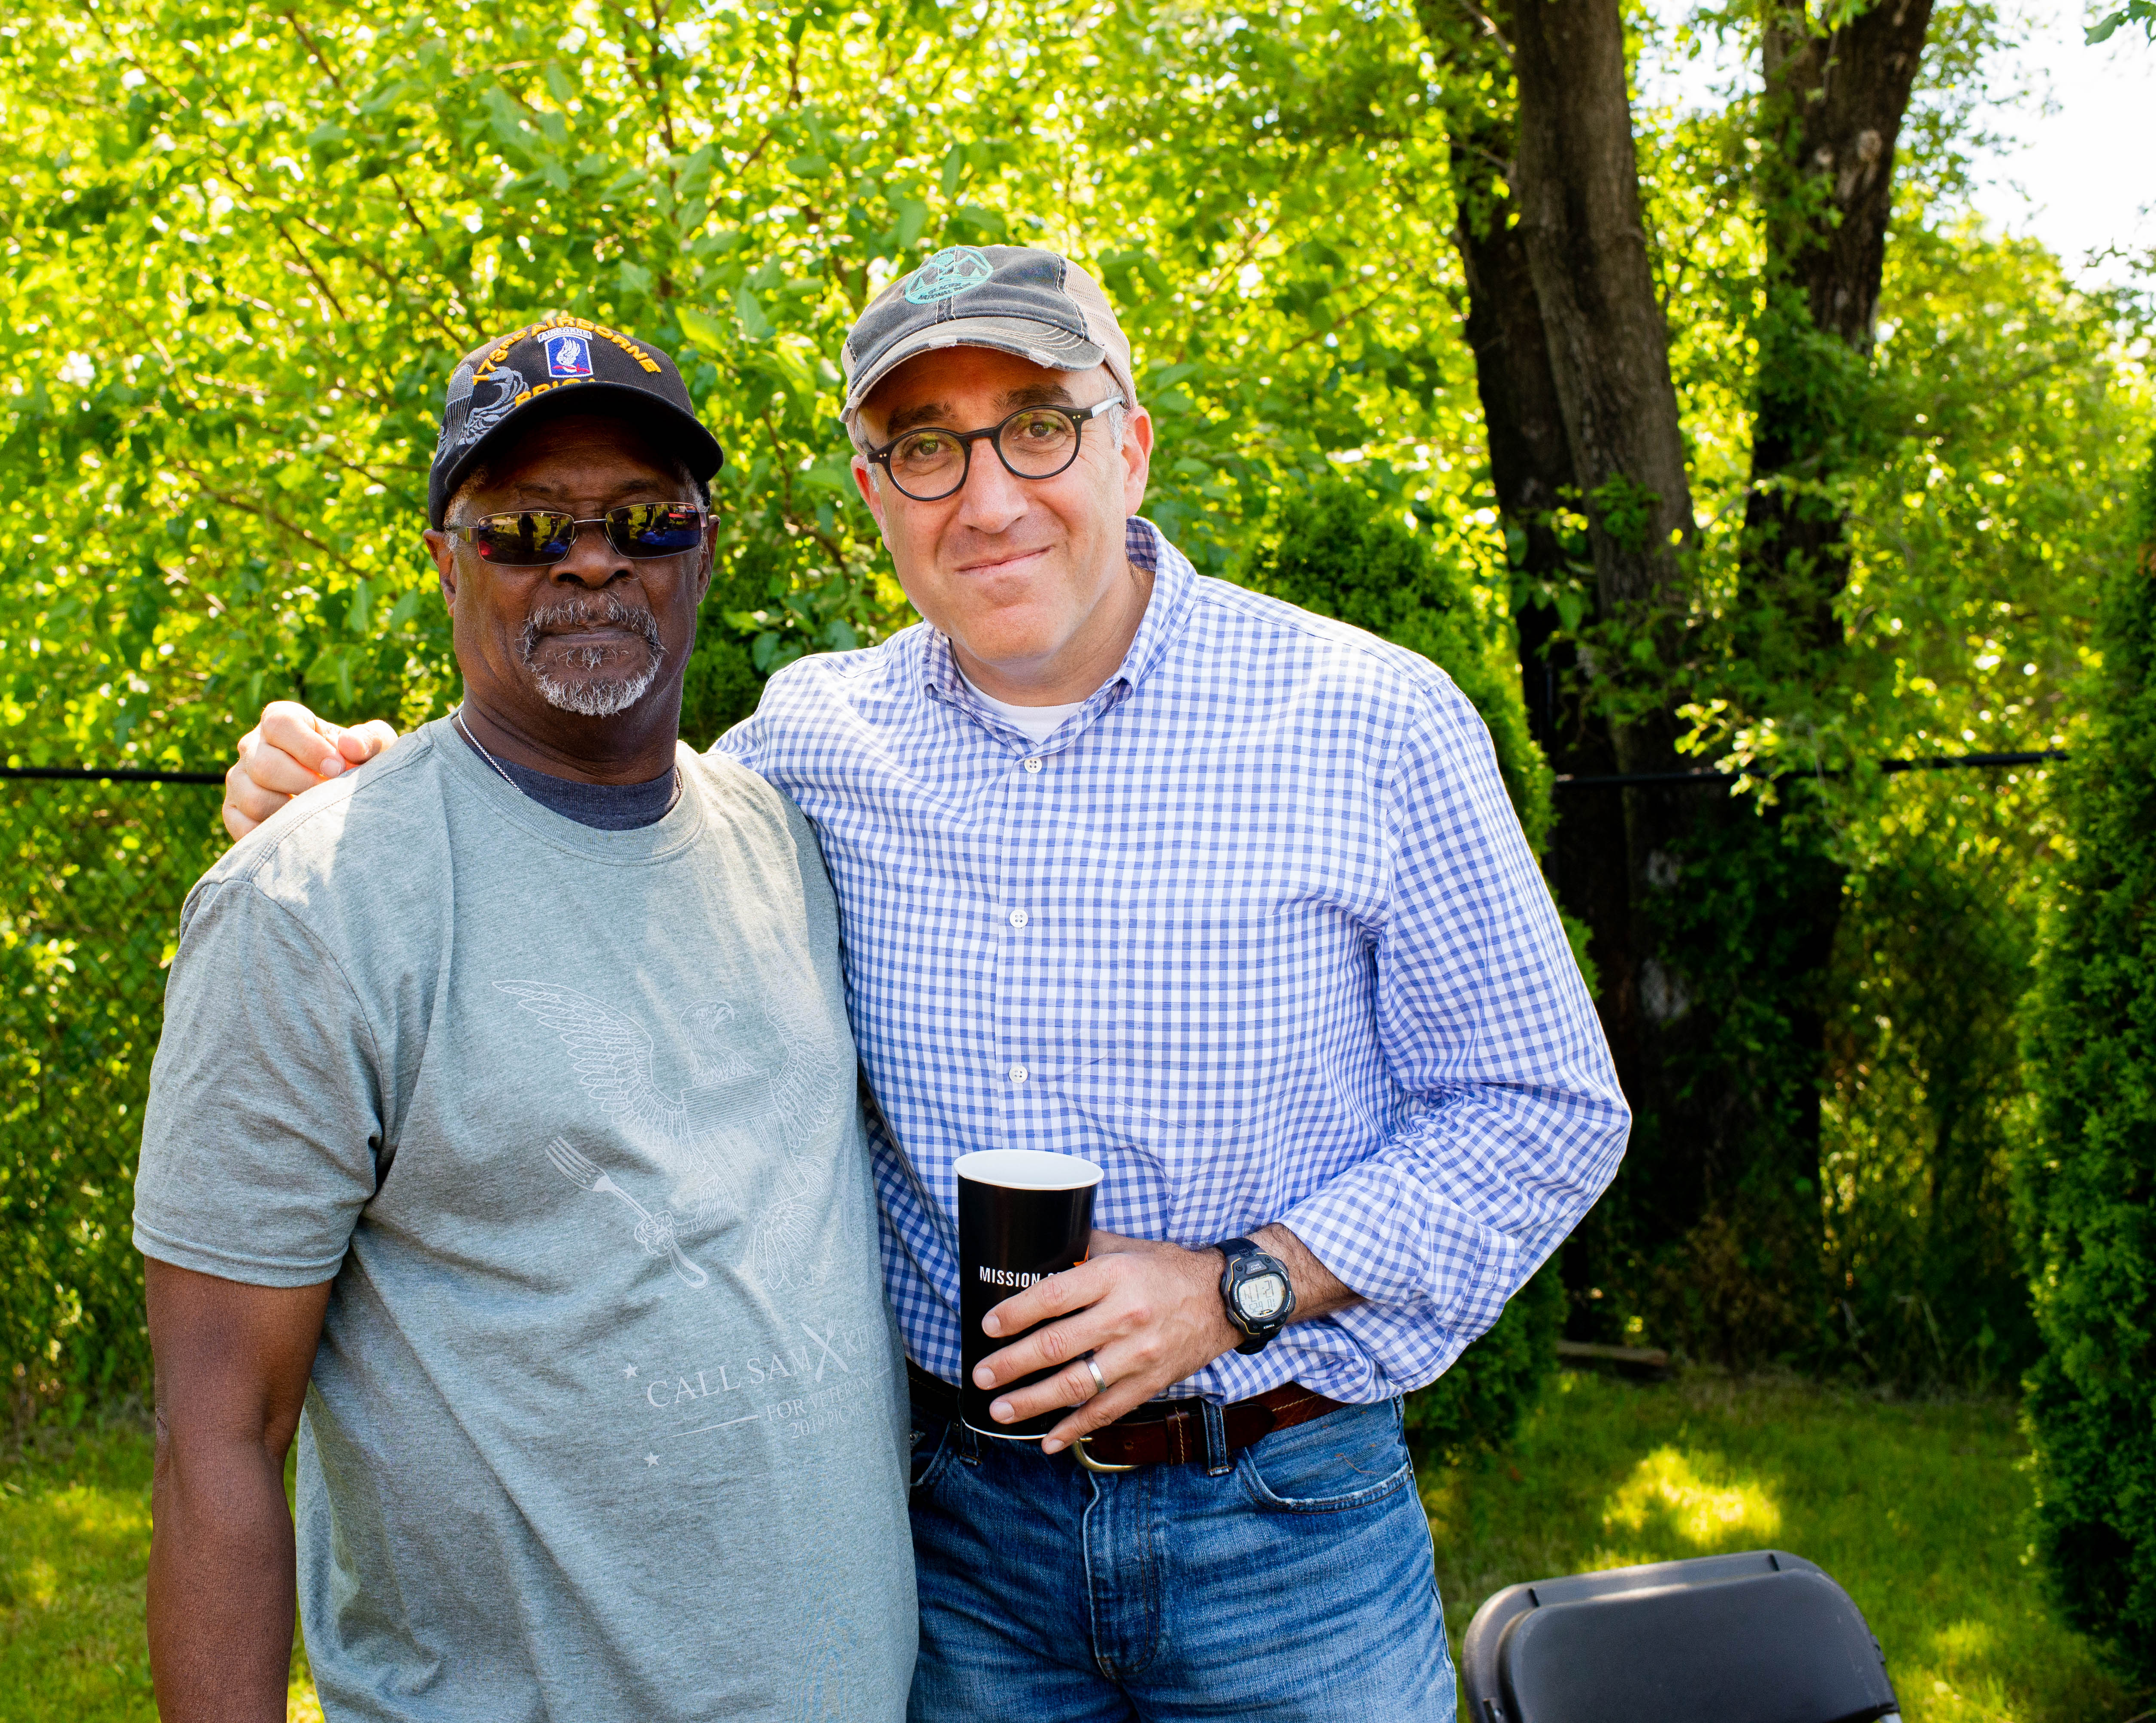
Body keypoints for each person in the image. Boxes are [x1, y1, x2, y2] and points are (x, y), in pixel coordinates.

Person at [225, 247, 1631, 1720]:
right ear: (873, 495)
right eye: (925, 447)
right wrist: (352, 803)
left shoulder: (1369, 721)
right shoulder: (813, 749)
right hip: (955, 1535)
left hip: (1283, 1516)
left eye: (1039, 423)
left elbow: (1543, 1107)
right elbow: (596, 833)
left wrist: (1242, 1285)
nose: (990, 493)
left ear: (1131, 441)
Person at [135, 316, 917, 1723]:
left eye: (644, 520)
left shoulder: (781, 841)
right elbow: (217, 1440)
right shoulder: (309, 906)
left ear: (703, 545)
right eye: (524, 525)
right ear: (446, 555)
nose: (593, 557)